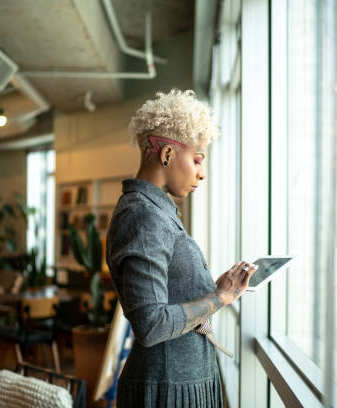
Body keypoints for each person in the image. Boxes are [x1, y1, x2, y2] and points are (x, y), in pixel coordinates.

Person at [106, 89, 258, 407]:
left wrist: (216, 288)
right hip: (167, 387)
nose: (202, 173)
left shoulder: (157, 210)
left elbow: (170, 293)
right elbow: (151, 325)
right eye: (197, 160)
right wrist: (219, 297)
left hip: (180, 380)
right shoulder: (143, 214)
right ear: (166, 155)